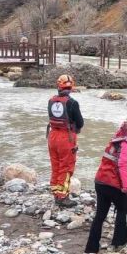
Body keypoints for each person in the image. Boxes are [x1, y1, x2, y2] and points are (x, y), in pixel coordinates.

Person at [85, 121, 127, 253]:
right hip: (114, 184)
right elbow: (123, 163)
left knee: (100, 215)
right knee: (121, 210)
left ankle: (91, 247)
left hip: (101, 181)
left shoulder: (116, 137)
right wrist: (126, 186)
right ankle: (119, 242)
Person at [47, 74, 84, 208]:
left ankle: (56, 193)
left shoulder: (51, 100)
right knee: (66, 167)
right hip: (66, 138)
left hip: (52, 136)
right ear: (71, 86)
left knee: (55, 165)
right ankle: (63, 197)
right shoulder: (72, 103)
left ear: (59, 86)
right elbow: (80, 122)